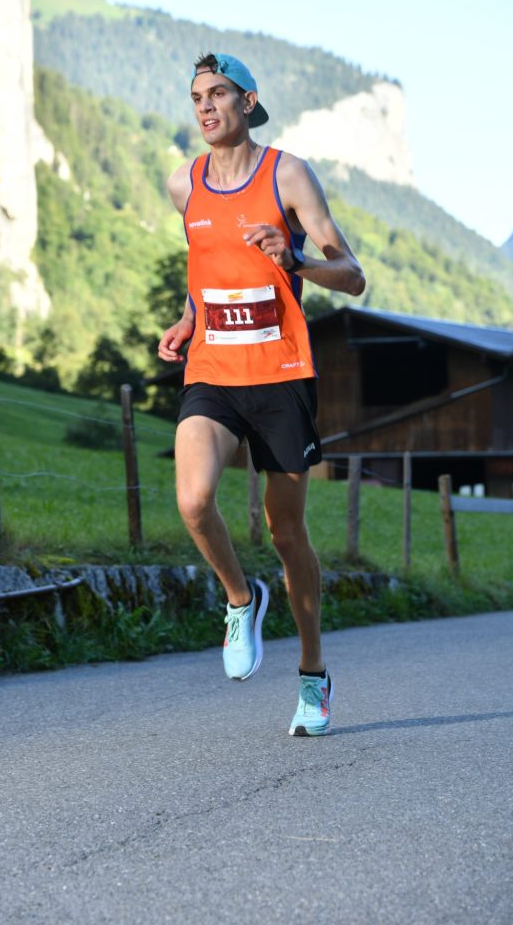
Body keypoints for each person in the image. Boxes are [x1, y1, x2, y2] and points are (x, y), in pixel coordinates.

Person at [158, 53, 365, 736]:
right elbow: (203, 265)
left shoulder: (287, 174)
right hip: (213, 371)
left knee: (285, 531)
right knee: (192, 498)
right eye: (195, 96)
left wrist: (295, 257)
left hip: (280, 375)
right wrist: (190, 317)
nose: (205, 106)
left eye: (218, 93)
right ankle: (240, 599)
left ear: (249, 101)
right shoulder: (182, 185)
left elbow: (353, 276)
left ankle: (312, 675)